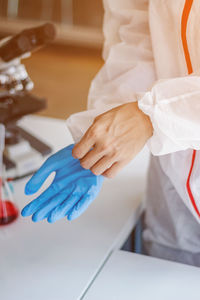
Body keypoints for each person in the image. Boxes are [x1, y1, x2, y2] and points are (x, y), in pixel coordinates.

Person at [22, 0, 200, 267]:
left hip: (167, 130)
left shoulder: (153, 116)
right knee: (165, 271)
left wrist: (152, 117)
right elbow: (135, 34)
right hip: (171, 171)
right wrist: (102, 136)